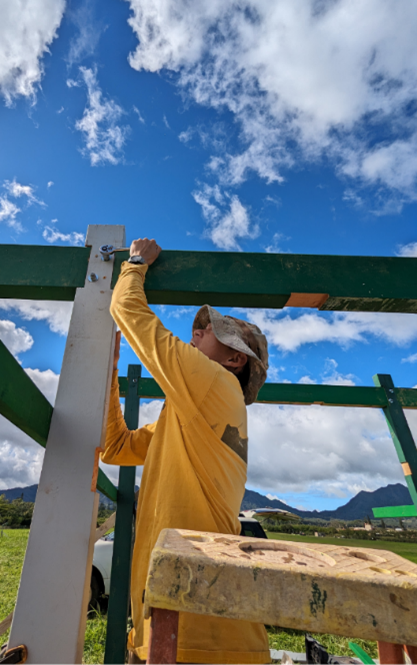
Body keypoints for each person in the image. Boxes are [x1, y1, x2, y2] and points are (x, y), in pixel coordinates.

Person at [101, 238, 270, 664]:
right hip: (181, 621)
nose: (196, 332)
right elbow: (118, 448)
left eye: (209, 330)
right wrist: (107, 377)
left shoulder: (215, 383)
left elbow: (127, 312)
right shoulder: (192, 415)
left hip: (201, 632)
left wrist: (136, 263)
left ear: (234, 359)